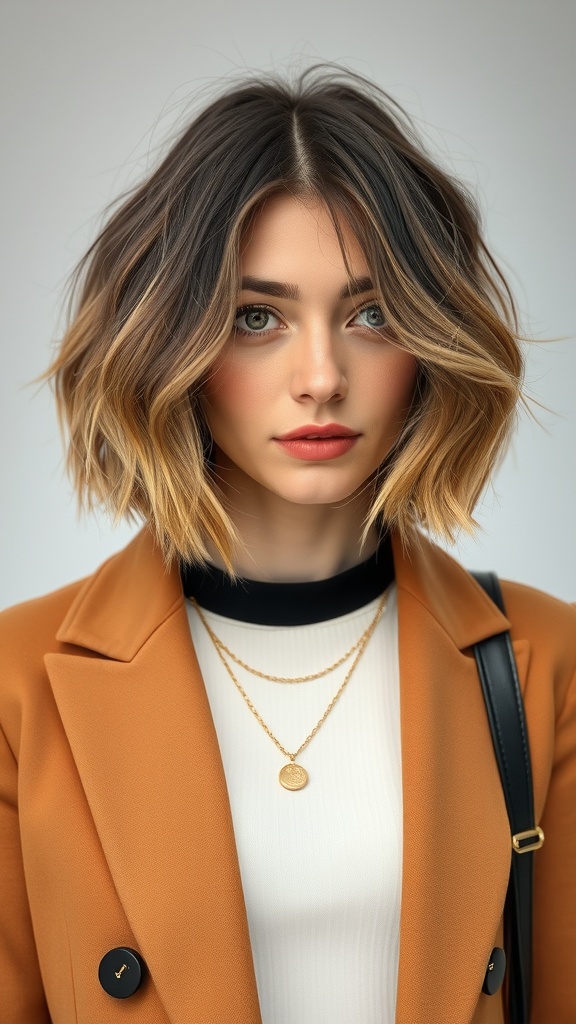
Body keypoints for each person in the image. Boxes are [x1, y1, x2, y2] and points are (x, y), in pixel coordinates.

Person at [0, 65, 574, 1024]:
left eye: (372, 314)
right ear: (170, 339)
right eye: (255, 318)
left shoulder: (543, 662)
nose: (321, 376)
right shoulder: (21, 683)